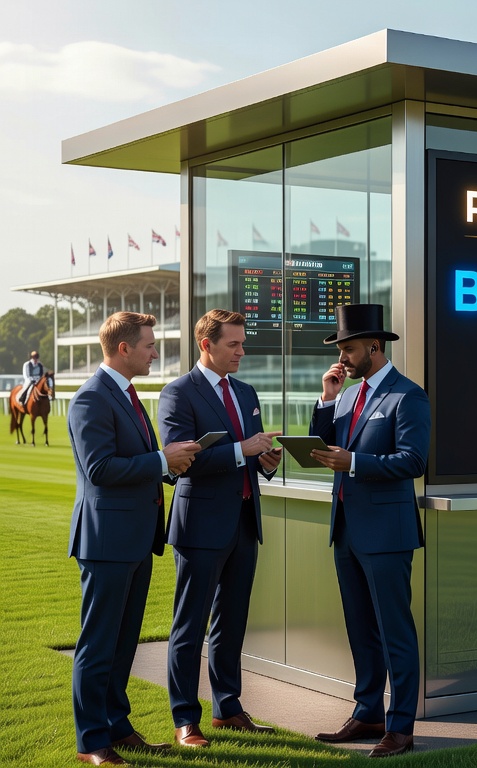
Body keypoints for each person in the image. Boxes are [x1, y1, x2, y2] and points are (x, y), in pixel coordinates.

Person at [68, 312, 201, 765]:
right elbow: (100, 470)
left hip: (137, 538)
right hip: (106, 540)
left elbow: (140, 461)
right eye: (148, 345)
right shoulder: (91, 398)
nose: (154, 352)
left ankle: (118, 727)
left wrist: (173, 463)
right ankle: (91, 741)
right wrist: (163, 461)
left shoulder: (125, 394)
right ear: (123, 349)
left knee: (123, 643)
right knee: (98, 644)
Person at [309, 304, 429, 759]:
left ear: (374, 347)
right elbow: (322, 445)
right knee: (360, 628)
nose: (343, 357)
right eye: (341, 348)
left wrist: (355, 462)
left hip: (386, 533)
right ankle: (368, 712)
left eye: (349, 348)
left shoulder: (407, 396)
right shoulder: (347, 395)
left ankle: (400, 727)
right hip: (346, 531)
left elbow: (413, 462)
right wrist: (325, 398)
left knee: (394, 631)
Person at [158, 309, 282, 748]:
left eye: (243, 343)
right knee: (189, 626)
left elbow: (251, 456)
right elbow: (181, 461)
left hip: (245, 524)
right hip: (200, 527)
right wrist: (240, 450)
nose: (242, 352)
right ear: (206, 345)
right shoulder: (178, 394)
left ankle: (228, 709)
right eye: (234, 344)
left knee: (232, 623)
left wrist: (265, 460)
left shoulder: (247, 392)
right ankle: (184, 720)